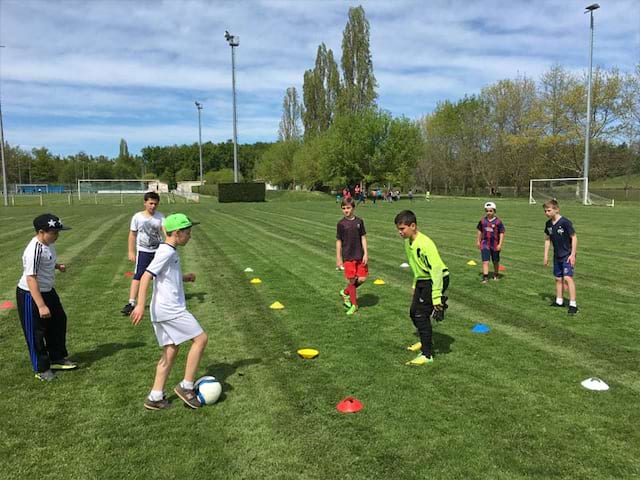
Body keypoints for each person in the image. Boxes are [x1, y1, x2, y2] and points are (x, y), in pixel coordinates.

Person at [130, 213, 209, 410]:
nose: (190, 235)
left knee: (171, 350)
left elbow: (163, 276)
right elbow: (146, 275)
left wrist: (184, 277)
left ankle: (155, 396)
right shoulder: (166, 251)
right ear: (176, 233)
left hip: (161, 311)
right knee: (201, 339)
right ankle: (186, 386)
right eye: (187, 232)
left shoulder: (169, 251)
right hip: (170, 309)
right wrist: (139, 304)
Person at [16, 214, 77, 381]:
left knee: (58, 321)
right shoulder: (34, 249)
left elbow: (46, 261)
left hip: (48, 290)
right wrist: (41, 306)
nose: (57, 235)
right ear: (41, 232)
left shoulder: (48, 244)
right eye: (54, 232)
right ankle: (41, 368)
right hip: (30, 294)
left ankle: (56, 357)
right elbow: (31, 278)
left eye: (58, 232)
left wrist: (57, 265)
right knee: (36, 331)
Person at [395, 210, 450, 366]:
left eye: (402, 229)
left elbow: (437, 269)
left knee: (421, 314)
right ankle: (425, 339)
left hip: (437, 278)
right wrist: (415, 284)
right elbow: (417, 266)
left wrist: (436, 296)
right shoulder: (407, 242)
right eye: (398, 229)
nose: (400, 232)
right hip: (423, 279)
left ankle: (427, 354)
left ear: (413, 226)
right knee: (414, 312)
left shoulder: (425, 243)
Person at [121, 192, 165, 316]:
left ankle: (162, 301)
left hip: (158, 251)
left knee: (161, 275)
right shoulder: (137, 217)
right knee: (139, 275)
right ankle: (131, 303)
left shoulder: (161, 217)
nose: (153, 206)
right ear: (145, 202)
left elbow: (166, 233)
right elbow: (132, 234)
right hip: (143, 251)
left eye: (155, 204)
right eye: (150, 203)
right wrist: (131, 251)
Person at [543, 200, 578, 315]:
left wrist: (573, 254)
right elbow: (548, 240)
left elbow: (574, 237)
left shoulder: (565, 222)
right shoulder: (548, 224)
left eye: (549, 210)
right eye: (545, 211)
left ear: (556, 209)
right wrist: (546, 255)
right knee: (558, 278)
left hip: (567, 255)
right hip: (557, 255)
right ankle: (559, 301)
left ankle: (573, 305)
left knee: (568, 278)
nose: (546, 213)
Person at [336, 197, 368, 316]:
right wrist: (338, 258)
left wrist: (366, 253)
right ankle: (354, 305)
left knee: (362, 278)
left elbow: (363, 237)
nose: (346, 210)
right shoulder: (341, 224)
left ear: (353, 208)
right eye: (343, 208)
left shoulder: (359, 222)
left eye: (348, 208)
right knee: (352, 279)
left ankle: (345, 292)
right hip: (348, 256)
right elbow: (338, 241)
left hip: (359, 255)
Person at [476, 201, 505, 283]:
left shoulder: (498, 222)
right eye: (487, 211)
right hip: (485, 243)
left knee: (495, 261)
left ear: (494, 211)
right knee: (485, 261)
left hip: (495, 244)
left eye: (490, 211)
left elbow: (502, 233)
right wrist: (478, 241)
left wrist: (500, 244)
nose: (488, 212)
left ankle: (496, 274)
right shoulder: (482, 221)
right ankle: (485, 277)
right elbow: (479, 231)